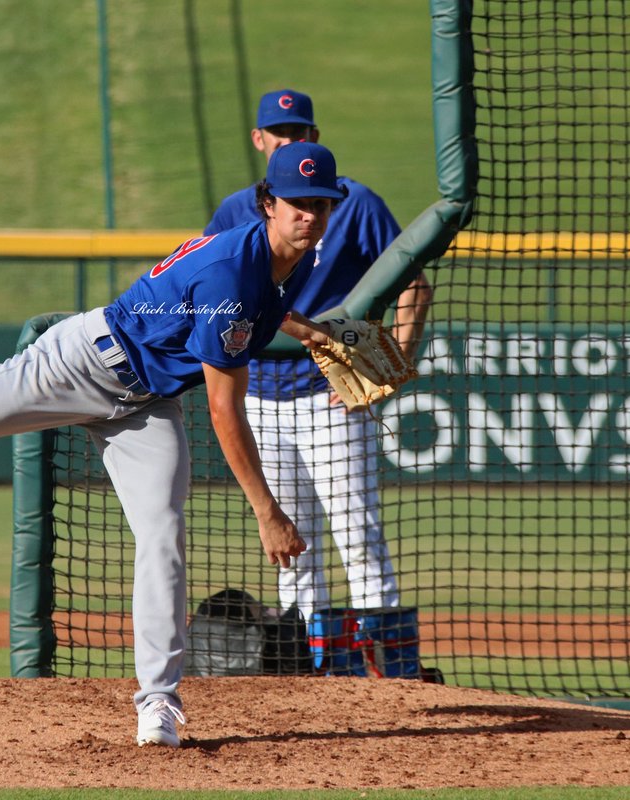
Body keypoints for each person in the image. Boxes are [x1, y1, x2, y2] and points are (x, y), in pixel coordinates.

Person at [0, 142, 368, 747]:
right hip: (79, 363)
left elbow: (252, 310)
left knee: (163, 532)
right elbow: (223, 408)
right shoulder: (234, 271)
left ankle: (157, 702)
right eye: (296, 202)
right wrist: (267, 512)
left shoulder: (285, 265)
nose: (309, 215)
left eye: (320, 203)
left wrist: (308, 330)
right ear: (269, 202)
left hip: (143, 405)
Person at [205, 89, 434, 678]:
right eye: (278, 132)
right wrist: (296, 328)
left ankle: (389, 677)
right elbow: (215, 285)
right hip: (259, 396)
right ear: (260, 141)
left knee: (358, 536)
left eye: (299, 129)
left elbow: (415, 284)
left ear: (314, 133)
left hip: (332, 400)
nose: (290, 139)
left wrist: (395, 371)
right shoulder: (237, 210)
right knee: (291, 547)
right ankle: (305, 678)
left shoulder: (353, 204)